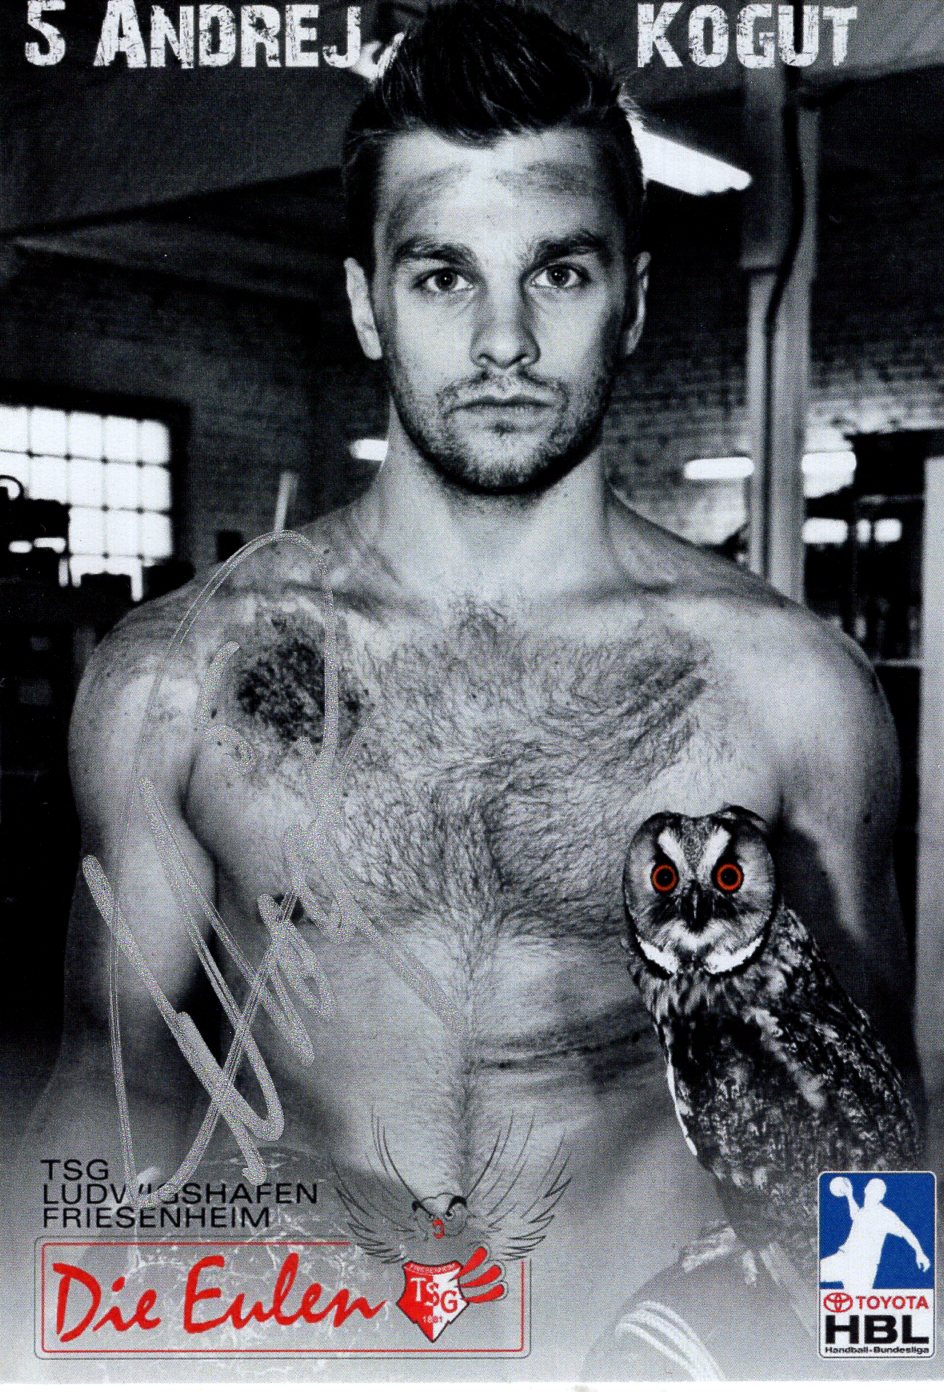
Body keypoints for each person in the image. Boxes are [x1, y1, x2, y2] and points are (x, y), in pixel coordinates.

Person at [18, 0, 921, 1376]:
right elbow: (110, 1079)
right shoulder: (178, 681)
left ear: (632, 297)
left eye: (557, 272)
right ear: (365, 304)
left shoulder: (788, 690)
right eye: (443, 276)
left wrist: (879, 1363)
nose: (504, 340)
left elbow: (863, 1129)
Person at [822, 1177, 930, 1292]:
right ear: (866, 1189)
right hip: (844, 1258)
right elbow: (855, 1215)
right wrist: (849, 1195)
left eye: (878, 1191)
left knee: (857, 1302)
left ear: (881, 1196)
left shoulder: (886, 1215)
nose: (874, 1192)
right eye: (872, 1188)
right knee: (816, 1271)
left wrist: (920, 1253)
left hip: (863, 1268)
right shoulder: (863, 1211)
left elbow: (907, 1233)